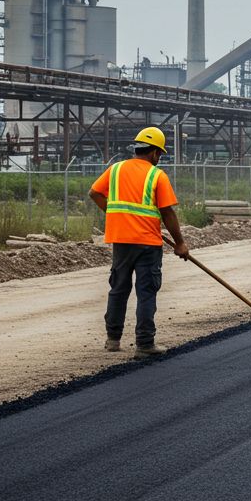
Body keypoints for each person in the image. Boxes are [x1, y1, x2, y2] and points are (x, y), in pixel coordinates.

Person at [88, 127, 187, 358]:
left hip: (120, 240)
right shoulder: (157, 175)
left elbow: (94, 193)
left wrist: (115, 214)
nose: (159, 158)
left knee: (119, 288)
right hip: (147, 243)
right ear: (154, 153)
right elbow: (168, 213)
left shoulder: (116, 169)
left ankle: (113, 340)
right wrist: (180, 243)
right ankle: (144, 344)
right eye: (160, 154)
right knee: (146, 291)